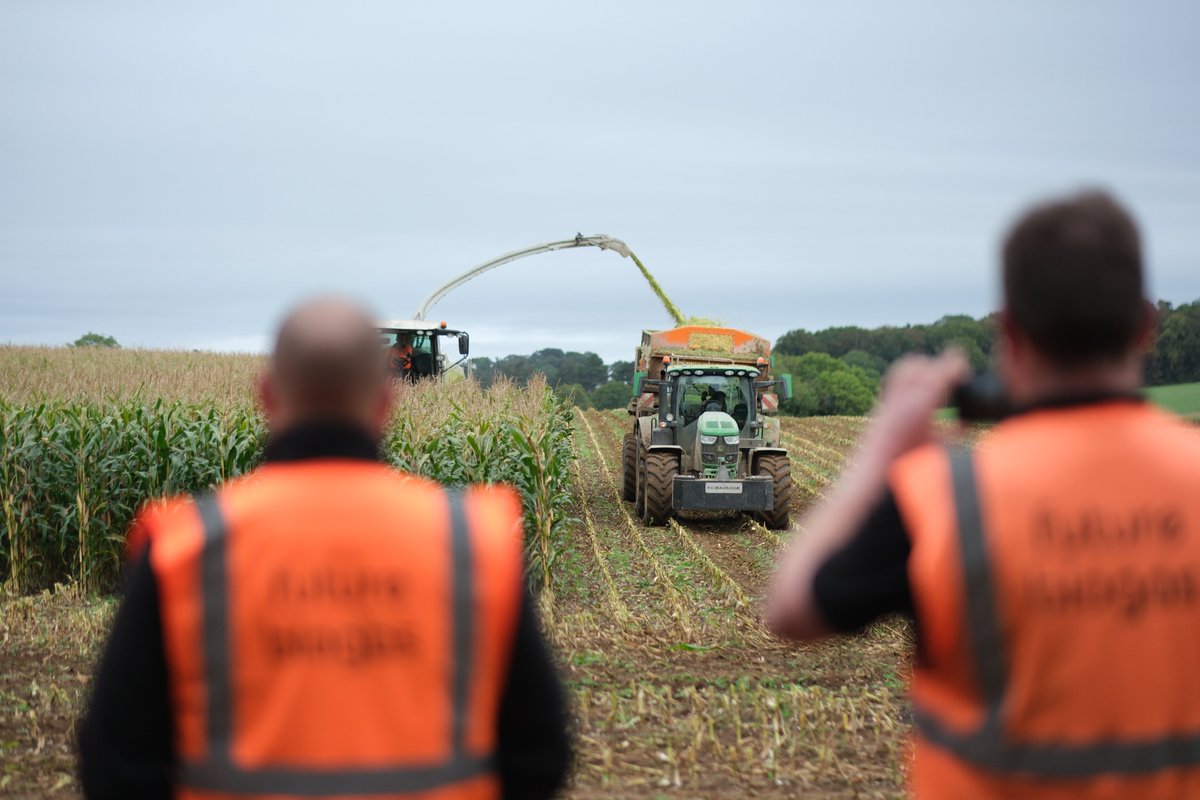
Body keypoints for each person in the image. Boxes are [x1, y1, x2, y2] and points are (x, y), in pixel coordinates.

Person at [766, 190, 1200, 798]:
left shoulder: (946, 497)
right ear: (1146, 325)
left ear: (1009, 329)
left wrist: (881, 450)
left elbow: (789, 610)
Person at [79, 297, 571, 800]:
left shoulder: (185, 547)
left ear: (267, 397)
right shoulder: (471, 540)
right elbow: (541, 753)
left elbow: (115, 762)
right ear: (386, 401)